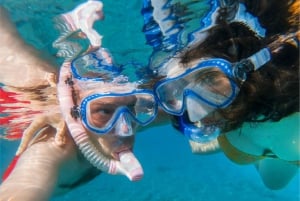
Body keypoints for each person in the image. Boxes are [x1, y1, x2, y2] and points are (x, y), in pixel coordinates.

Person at [0, 2, 158, 200]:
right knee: (16, 57)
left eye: (130, 107)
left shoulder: (123, 124)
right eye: (104, 112)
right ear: (72, 113)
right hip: (27, 92)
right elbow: (24, 187)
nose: (125, 129)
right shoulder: (54, 147)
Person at [142, 0, 299, 189]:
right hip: (262, 146)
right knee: (273, 183)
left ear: (245, 64)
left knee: (275, 182)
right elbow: (141, 115)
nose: (195, 114)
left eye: (207, 80)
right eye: (177, 88)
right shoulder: (194, 104)